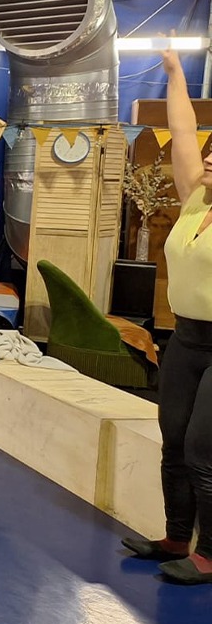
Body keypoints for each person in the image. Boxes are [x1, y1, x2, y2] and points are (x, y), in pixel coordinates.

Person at [121, 47, 212, 584]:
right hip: (187, 339)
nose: (206, 159)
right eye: (209, 153)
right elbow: (181, 130)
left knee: (205, 448)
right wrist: (175, 71)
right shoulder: (196, 203)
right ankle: (177, 535)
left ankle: (209, 553)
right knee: (174, 437)